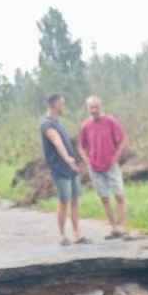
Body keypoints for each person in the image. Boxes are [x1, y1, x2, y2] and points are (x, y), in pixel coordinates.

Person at [40, 94, 86, 246]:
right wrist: (67, 159)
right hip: (60, 169)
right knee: (64, 201)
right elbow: (57, 142)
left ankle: (77, 234)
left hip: (71, 168)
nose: (64, 106)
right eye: (62, 104)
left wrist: (74, 163)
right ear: (53, 105)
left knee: (75, 201)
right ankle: (61, 235)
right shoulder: (46, 124)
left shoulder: (58, 122)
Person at [79, 96, 127, 239]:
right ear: (87, 109)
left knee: (119, 195)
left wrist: (116, 158)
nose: (94, 110)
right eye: (91, 107)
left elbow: (123, 139)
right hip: (95, 167)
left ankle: (123, 227)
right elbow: (81, 147)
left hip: (111, 165)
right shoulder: (86, 125)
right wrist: (87, 161)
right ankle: (114, 229)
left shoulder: (110, 121)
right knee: (104, 198)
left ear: (101, 106)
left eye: (96, 107)